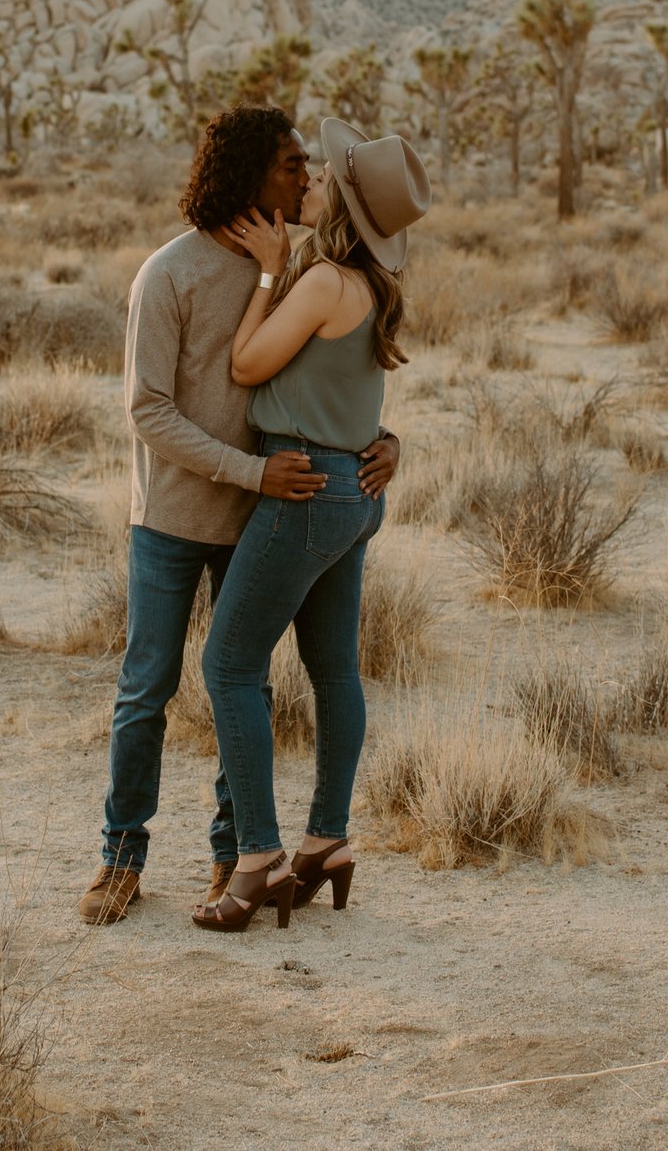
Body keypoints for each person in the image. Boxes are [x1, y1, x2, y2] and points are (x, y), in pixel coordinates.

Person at [81, 105, 402, 926]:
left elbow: (330, 378)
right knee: (146, 688)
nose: (308, 179)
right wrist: (251, 471)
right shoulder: (169, 274)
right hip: (178, 512)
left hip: (268, 510)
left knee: (241, 682)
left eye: (309, 166)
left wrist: (382, 439)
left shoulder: (297, 269)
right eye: (293, 166)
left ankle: (235, 855)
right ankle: (122, 857)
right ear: (249, 176)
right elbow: (147, 410)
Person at [191, 116, 430, 932]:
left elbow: (245, 366)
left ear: (345, 204)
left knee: (227, 664)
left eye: (324, 176)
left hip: (304, 488)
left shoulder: (323, 281)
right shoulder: (371, 285)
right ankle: (327, 843)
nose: (312, 181)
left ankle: (255, 861)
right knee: (334, 672)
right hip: (354, 493)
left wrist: (267, 278)